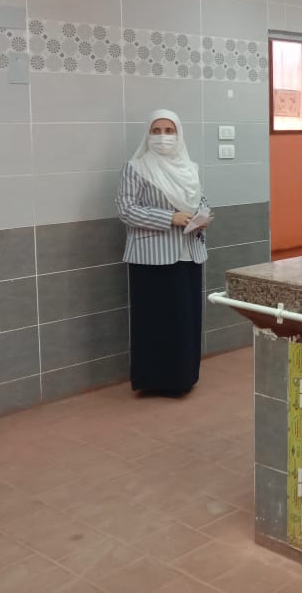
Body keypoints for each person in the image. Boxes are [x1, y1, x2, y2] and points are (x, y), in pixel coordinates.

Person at [115, 109, 209, 396]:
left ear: (179, 134)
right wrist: (169, 218)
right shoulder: (136, 167)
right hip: (151, 257)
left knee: (185, 320)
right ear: (148, 134)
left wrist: (202, 216)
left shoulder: (190, 168)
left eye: (169, 131)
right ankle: (153, 380)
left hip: (188, 252)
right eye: (156, 131)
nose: (162, 137)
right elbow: (126, 209)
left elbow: (201, 200)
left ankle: (183, 378)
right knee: (155, 320)